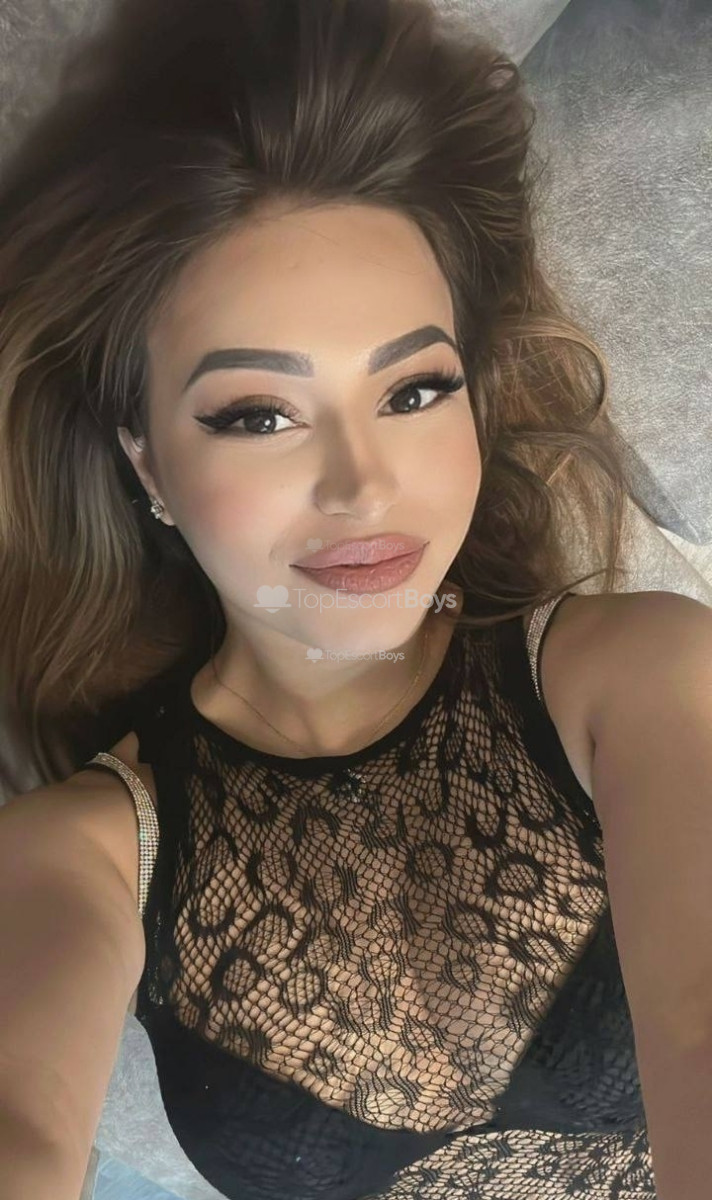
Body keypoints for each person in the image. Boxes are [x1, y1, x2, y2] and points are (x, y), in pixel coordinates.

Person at [0, 0, 662, 1197]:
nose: (362, 487)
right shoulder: (82, 849)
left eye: (412, 391)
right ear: (145, 461)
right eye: (259, 414)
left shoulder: (636, 678)